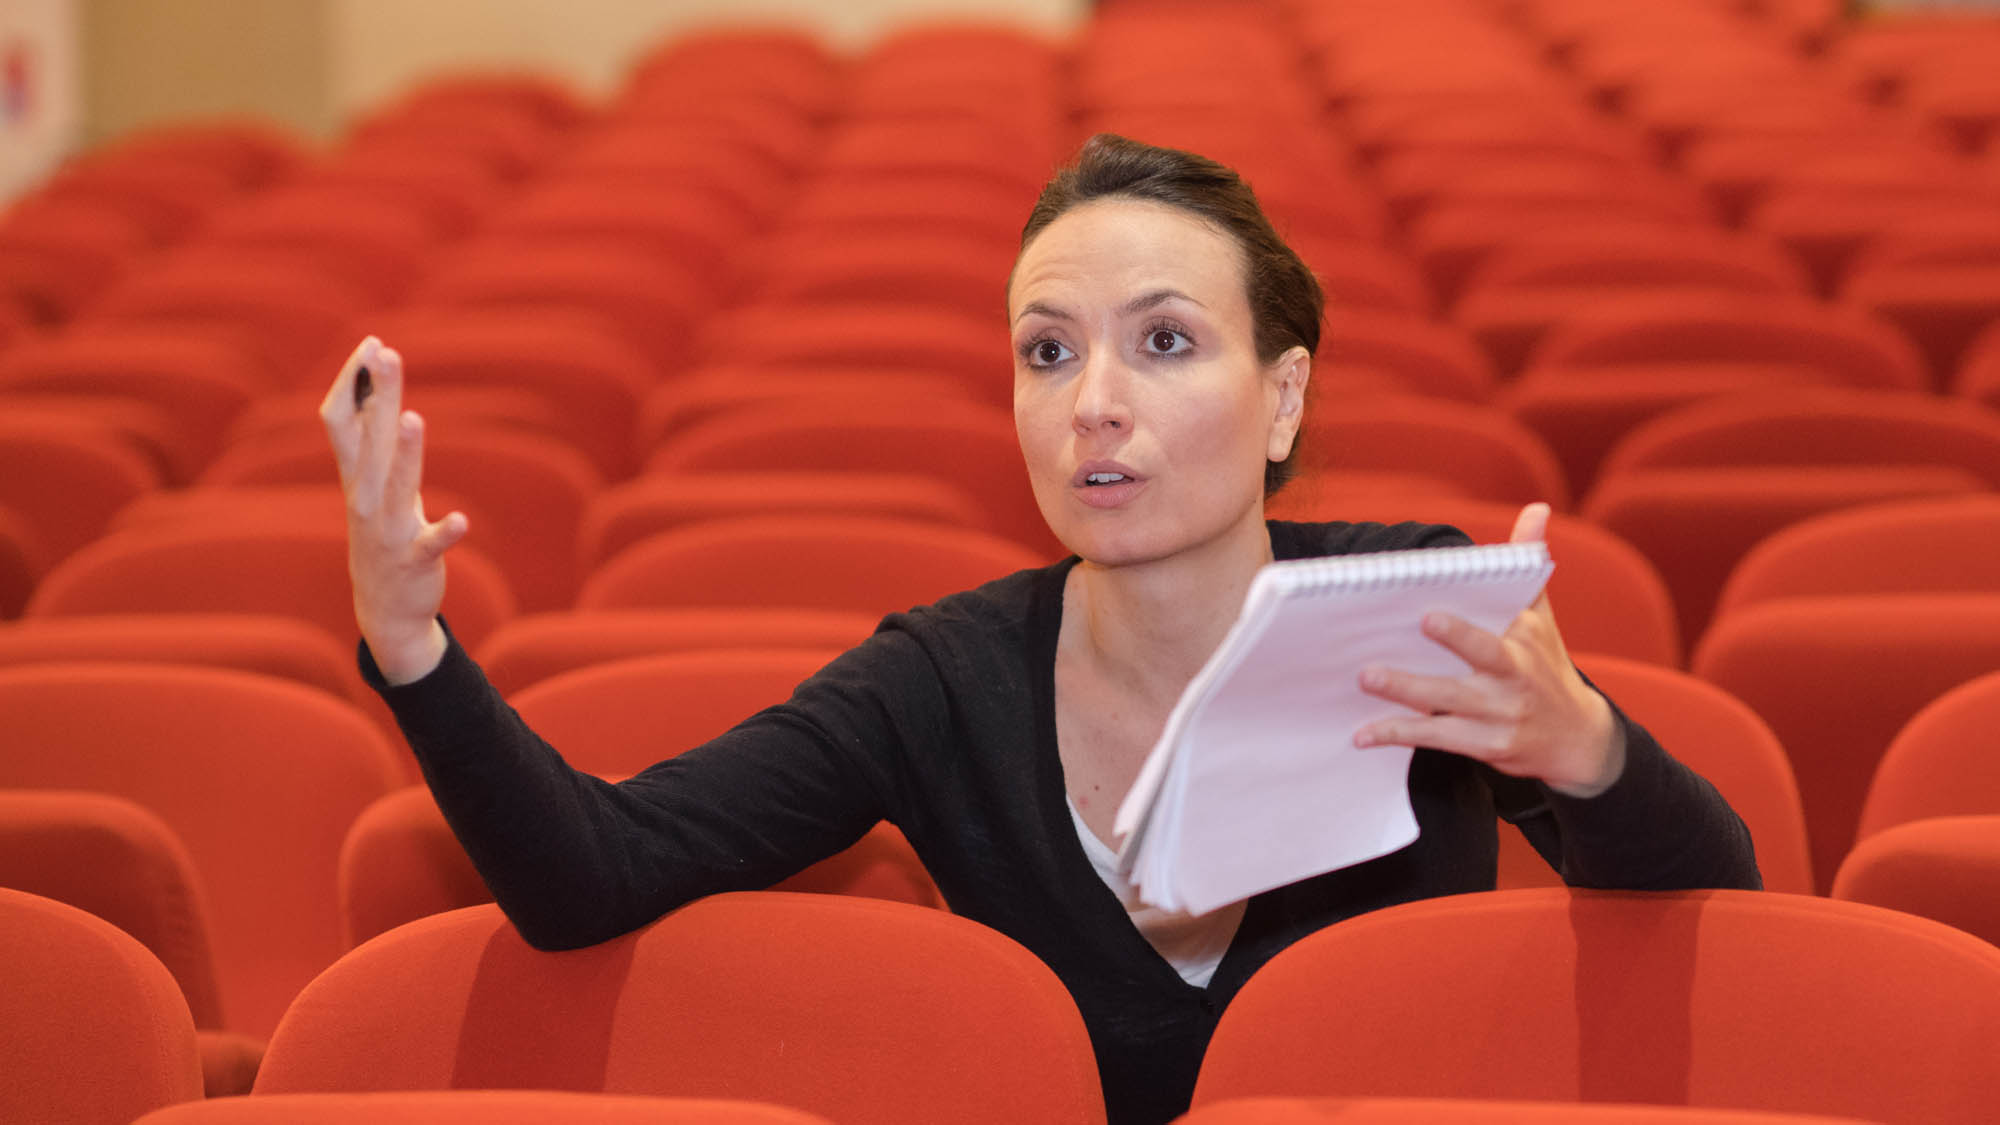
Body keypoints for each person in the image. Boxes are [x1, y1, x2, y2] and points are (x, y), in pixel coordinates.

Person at [321, 134, 1760, 1125]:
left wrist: (1587, 750)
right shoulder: (937, 679)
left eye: (1167, 341)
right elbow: (593, 874)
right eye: (1049, 351)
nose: (1095, 403)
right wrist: (411, 646)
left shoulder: (1408, 603)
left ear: (1284, 396)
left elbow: (1710, 908)